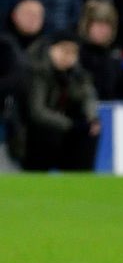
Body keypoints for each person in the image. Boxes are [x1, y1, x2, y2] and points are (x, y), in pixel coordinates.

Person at [20, 30, 100, 170]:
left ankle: (82, 181)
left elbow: (88, 95)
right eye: (63, 50)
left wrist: (91, 118)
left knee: (89, 131)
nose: (67, 56)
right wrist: (71, 125)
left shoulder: (77, 74)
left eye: (73, 52)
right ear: (51, 48)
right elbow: (37, 112)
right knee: (47, 132)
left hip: (62, 131)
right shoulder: (37, 70)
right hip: (32, 134)